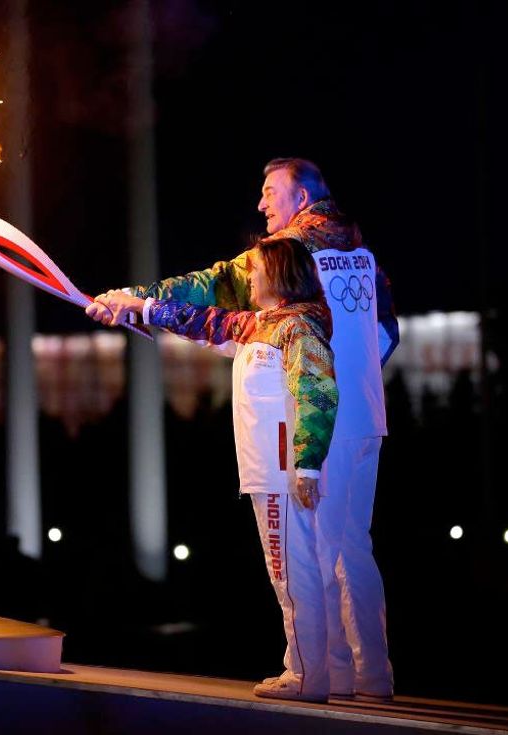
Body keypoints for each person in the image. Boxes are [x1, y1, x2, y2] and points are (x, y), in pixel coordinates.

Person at [97, 158, 398, 701]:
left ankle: (315, 673)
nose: (261, 204)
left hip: (313, 424)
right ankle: (368, 673)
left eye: (270, 191)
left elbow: (211, 289)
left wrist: (135, 298)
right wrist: (353, 383)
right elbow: (387, 333)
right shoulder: (362, 253)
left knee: (308, 551)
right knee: (352, 546)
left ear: (301, 198)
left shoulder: (286, 252)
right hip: (364, 417)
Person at [89, 238, 338, 702]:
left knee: (292, 570)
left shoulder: (298, 327)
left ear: (279, 274)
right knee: (290, 570)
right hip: (269, 473)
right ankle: (313, 671)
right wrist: (134, 306)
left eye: (257, 269)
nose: (249, 277)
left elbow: (318, 393)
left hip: (284, 474)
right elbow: (200, 321)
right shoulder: (258, 325)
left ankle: (307, 675)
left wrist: (307, 465)